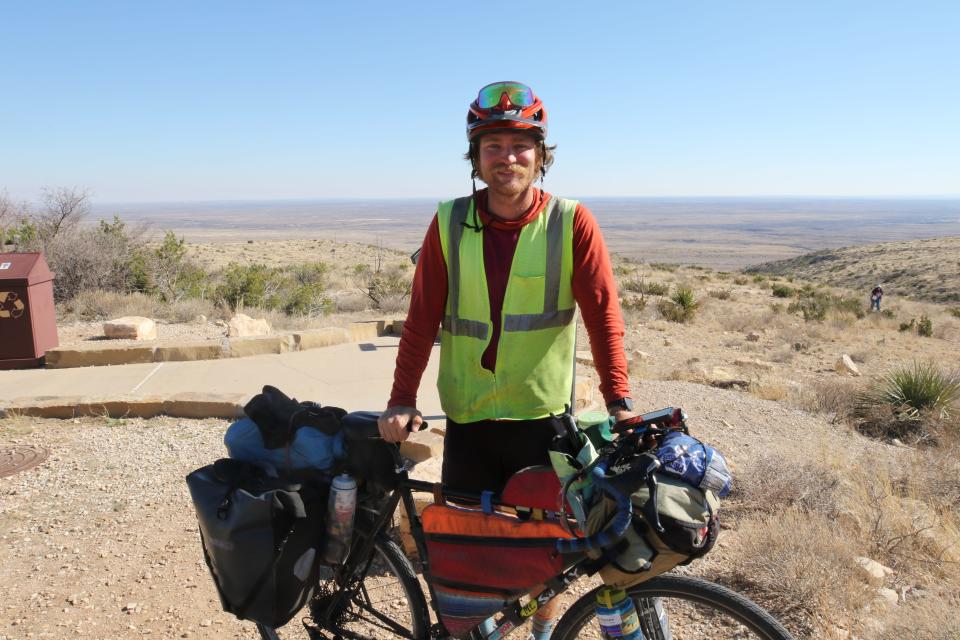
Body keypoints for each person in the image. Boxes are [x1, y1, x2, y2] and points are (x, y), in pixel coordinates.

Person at [378, 81, 634, 640]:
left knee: (550, 551)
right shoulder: (449, 222)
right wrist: (401, 399)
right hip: (469, 422)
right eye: (492, 146)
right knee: (473, 557)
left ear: (541, 155)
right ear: (476, 157)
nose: (507, 158)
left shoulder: (570, 222)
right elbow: (421, 320)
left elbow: (603, 317)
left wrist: (621, 400)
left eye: (520, 146)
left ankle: (541, 634)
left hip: (541, 421)